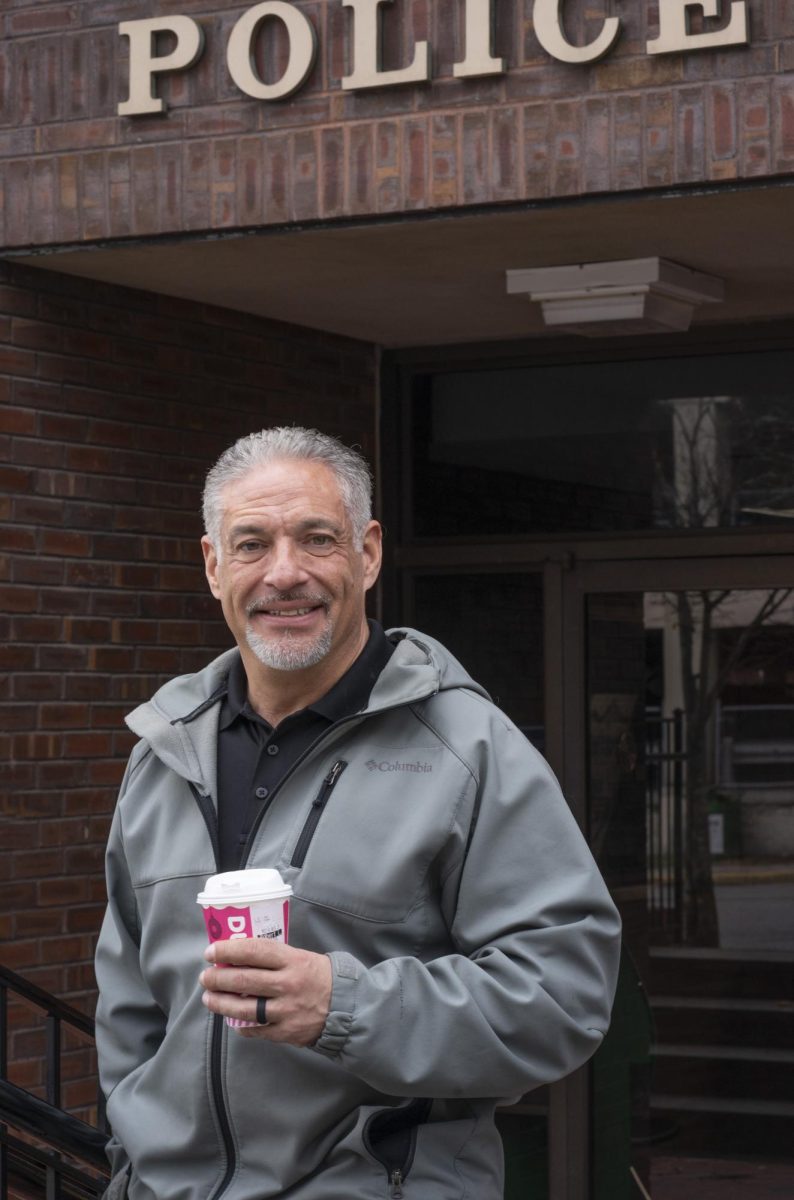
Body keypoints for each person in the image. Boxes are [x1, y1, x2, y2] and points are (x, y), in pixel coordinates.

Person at [95, 426, 621, 1200]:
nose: (285, 573)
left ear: (368, 553)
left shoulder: (466, 749)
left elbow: (561, 998)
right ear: (213, 565)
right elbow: (129, 1003)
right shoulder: (162, 753)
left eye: (317, 539)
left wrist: (343, 1006)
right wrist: (131, 1166)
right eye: (250, 544)